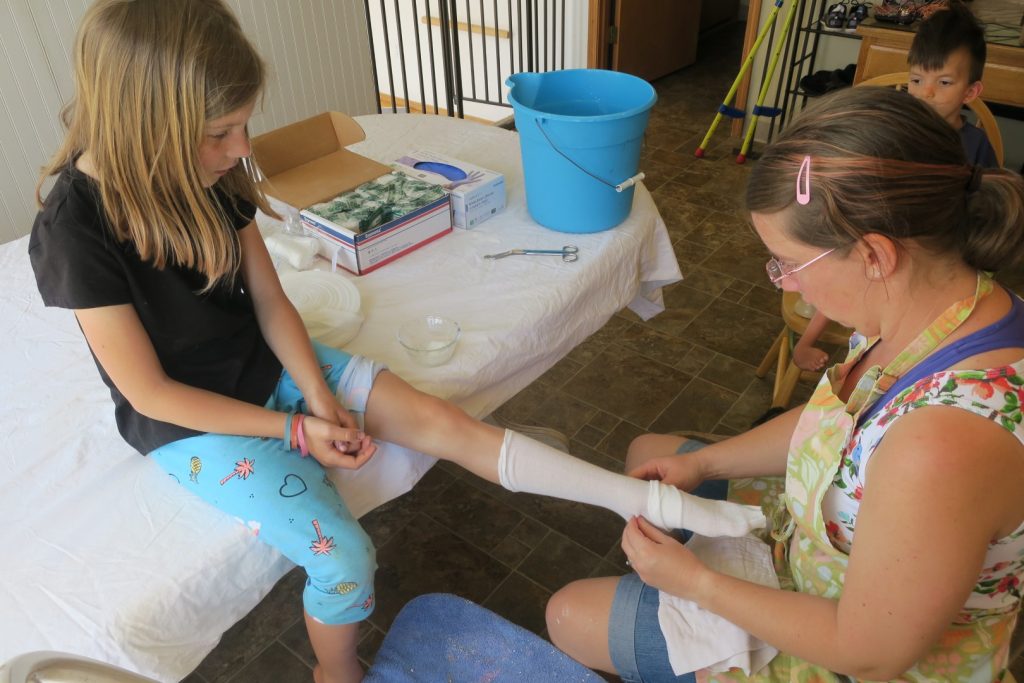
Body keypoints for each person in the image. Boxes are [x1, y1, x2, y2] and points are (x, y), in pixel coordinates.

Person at [27, 2, 765, 682]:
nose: (240, 147)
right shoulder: (75, 230)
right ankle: (337, 672)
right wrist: (293, 427)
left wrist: (318, 393)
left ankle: (639, 499)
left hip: (272, 368)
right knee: (345, 557)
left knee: (451, 427)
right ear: (145, 124)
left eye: (242, 126)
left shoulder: (213, 173)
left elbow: (270, 298)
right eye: (221, 133)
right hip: (191, 420)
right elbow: (150, 392)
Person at [545, 86, 1024, 682]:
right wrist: (706, 464)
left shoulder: (945, 444)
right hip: (826, 547)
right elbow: (840, 424)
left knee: (569, 615)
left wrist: (696, 583)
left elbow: (871, 651)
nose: (787, 286)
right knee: (654, 454)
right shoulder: (930, 305)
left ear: (875, 254)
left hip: (866, 652)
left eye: (788, 264)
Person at [792, 1, 1002, 374]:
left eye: (944, 83)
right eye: (917, 80)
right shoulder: (893, 130)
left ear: (971, 91)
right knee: (850, 257)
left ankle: (900, 360)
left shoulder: (976, 146)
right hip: (885, 239)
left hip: (941, 251)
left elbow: (985, 210)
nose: (927, 93)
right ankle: (809, 339)